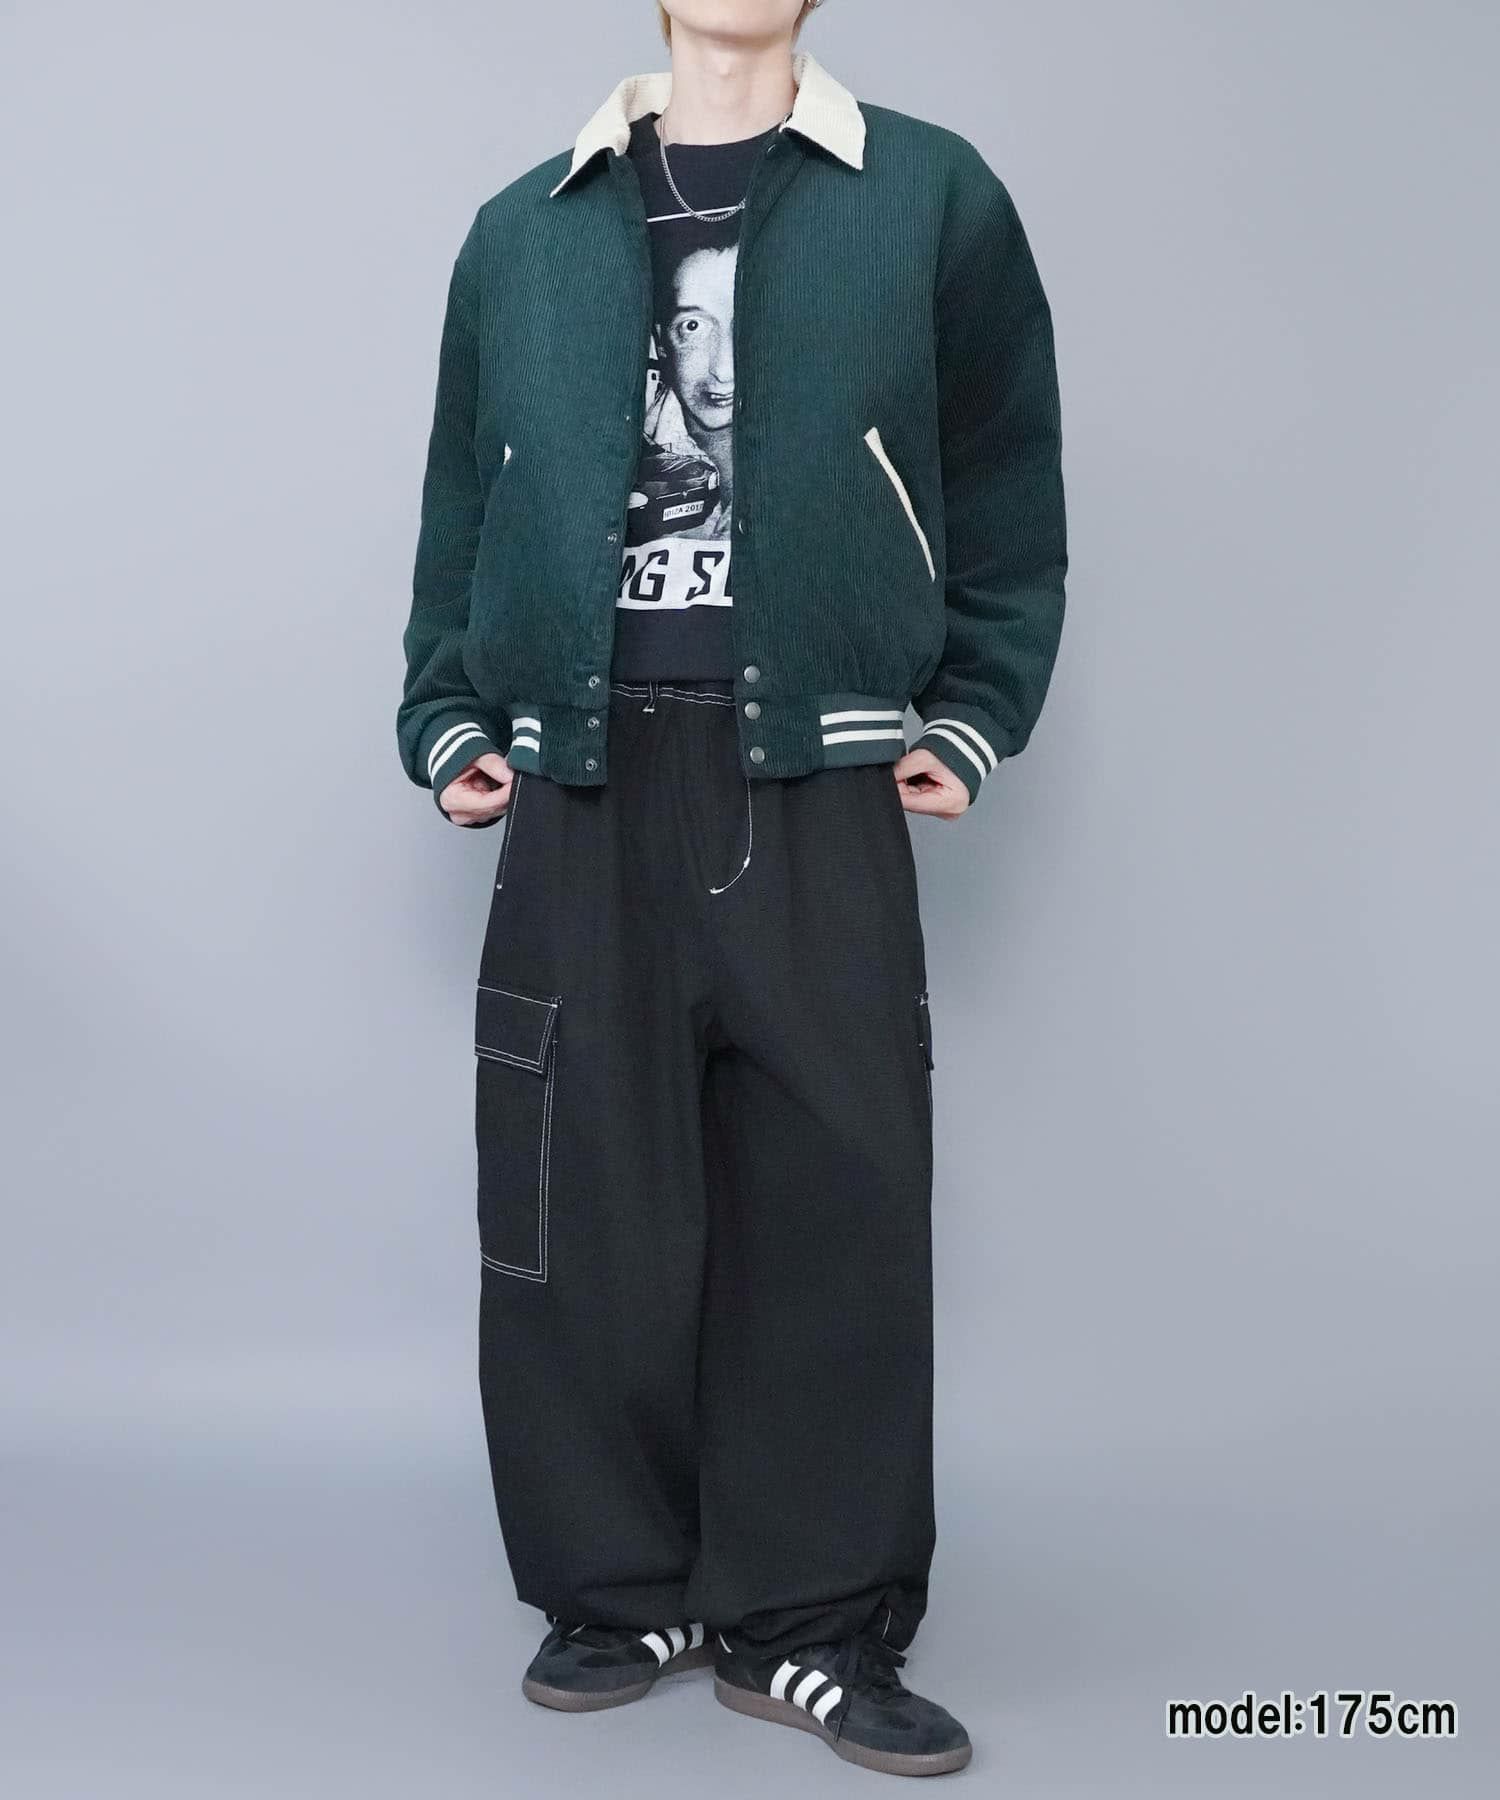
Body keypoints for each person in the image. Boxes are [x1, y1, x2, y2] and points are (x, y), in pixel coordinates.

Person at [396, 0, 1066, 1777]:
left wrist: (977, 709)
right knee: (580, 1205)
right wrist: (447, 711)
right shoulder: (523, 228)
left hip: (816, 778)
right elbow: (463, 500)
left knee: (837, 1207)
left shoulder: (926, 197)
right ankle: (620, 1589)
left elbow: (1010, 481)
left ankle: (810, 1626)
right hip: (577, 780)